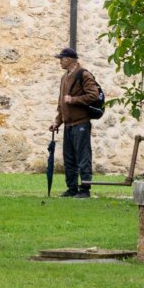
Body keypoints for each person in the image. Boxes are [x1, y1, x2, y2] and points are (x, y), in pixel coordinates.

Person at [54, 46, 104, 198]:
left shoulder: (84, 74)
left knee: (83, 157)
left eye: (61, 59)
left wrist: (74, 100)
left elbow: (94, 95)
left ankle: (85, 190)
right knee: (69, 158)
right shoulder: (64, 77)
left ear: (69, 59)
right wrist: (57, 121)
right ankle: (72, 188)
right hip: (68, 124)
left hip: (81, 123)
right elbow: (61, 103)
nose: (60, 62)